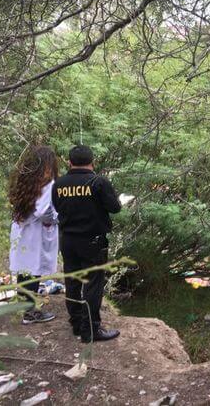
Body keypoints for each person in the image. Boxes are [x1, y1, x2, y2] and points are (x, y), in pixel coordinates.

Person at [52, 145, 122, 342]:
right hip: (92, 241)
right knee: (93, 284)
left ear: (69, 162)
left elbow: (57, 207)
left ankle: (76, 323)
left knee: (72, 281)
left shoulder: (59, 184)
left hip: (67, 240)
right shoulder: (99, 182)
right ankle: (90, 330)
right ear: (93, 161)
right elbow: (115, 208)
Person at [8, 145, 59, 324]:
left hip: (22, 230)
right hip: (35, 232)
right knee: (33, 271)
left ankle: (24, 308)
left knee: (25, 270)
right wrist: (57, 219)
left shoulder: (25, 180)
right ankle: (30, 313)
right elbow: (43, 211)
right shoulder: (48, 185)